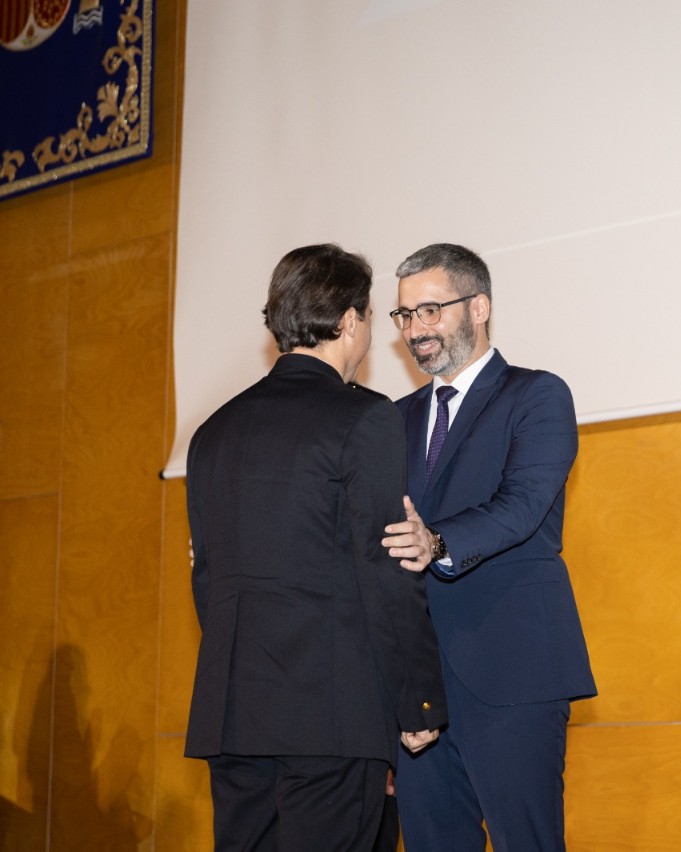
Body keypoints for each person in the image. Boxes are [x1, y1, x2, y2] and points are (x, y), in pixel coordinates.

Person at [184, 244, 447, 851]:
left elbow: (207, 581)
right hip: (332, 715)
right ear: (351, 321)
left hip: (234, 714)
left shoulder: (211, 432)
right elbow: (386, 571)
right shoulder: (365, 419)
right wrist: (417, 704)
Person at [380, 243, 596, 851]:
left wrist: (438, 540)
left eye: (430, 311)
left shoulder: (537, 395)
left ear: (479, 306)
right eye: (404, 317)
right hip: (419, 688)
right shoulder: (391, 420)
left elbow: (523, 505)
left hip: (513, 668)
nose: (415, 330)